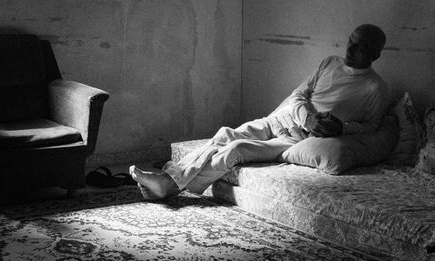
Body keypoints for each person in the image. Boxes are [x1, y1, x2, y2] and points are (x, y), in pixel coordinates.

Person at [129, 24, 389, 200]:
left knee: (235, 149)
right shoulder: (329, 63)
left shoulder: (374, 87)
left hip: (298, 138)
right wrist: (306, 115)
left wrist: (342, 129)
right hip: (283, 118)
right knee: (225, 135)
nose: (350, 50)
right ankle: (168, 183)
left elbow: (371, 126)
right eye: (350, 42)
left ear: (375, 54)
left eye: (359, 47)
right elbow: (299, 94)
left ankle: (167, 185)